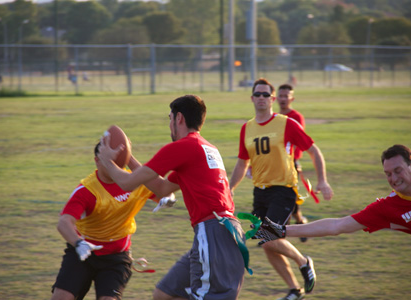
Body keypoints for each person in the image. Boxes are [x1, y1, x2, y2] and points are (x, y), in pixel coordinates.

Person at [97, 94, 247, 300]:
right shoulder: (206, 148)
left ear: (179, 118)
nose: (169, 125)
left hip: (213, 233)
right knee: (164, 293)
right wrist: (128, 158)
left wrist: (107, 162)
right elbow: (162, 188)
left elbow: (126, 183)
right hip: (223, 232)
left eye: (169, 118)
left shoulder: (183, 147)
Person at [255, 144, 411, 300]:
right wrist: (280, 230)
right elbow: (336, 226)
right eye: (388, 174)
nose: (394, 178)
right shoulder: (387, 207)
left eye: (398, 171)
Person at [229, 78, 334, 300]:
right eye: (257, 94)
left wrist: (322, 180)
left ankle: (303, 262)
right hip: (260, 192)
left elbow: (314, 151)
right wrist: (229, 189)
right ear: (251, 98)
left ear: (273, 99)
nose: (261, 98)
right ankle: (295, 290)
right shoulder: (246, 128)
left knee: (268, 236)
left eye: (266, 95)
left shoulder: (286, 124)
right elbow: (242, 163)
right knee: (268, 245)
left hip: (284, 189)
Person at [51, 142, 175, 300]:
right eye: (109, 161)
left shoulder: (136, 182)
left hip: (116, 258)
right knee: (61, 297)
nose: (114, 166)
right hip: (82, 253)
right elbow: (64, 222)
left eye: (118, 161)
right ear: (97, 160)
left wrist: (167, 197)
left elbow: (161, 190)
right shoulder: (87, 190)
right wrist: (78, 243)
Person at [276, 83, 309, 242]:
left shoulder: (296, 117)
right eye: (280, 96)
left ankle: (279, 235)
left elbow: (299, 141)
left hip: (291, 163)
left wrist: (294, 162)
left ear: (292, 98)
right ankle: (300, 223)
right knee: (283, 197)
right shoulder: (275, 117)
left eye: (286, 96)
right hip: (276, 164)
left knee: (289, 198)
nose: (283, 99)